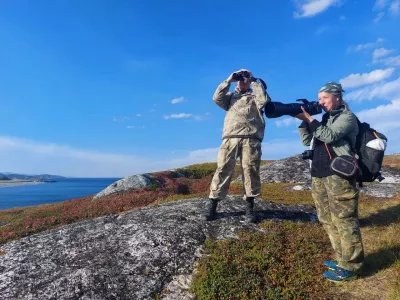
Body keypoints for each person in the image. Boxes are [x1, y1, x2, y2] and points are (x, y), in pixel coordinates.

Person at [295, 82, 364, 282]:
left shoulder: (347, 117)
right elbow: (307, 140)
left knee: (344, 218)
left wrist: (310, 118)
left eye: (324, 98)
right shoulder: (324, 119)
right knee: (326, 218)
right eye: (319, 99)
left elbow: (329, 135)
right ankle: (342, 257)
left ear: (337, 97)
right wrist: (303, 122)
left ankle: (352, 266)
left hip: (339, 175)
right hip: (319, 174)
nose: (321, 102)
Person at [204, 69, 271, 223]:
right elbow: (216, 98)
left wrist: (253, 81)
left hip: (251, 138)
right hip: (230, 138)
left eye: (245, 77)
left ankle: (249, 207)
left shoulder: (256, 96)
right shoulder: (230, 97)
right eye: (240, 77)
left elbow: (264, 101)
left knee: (250, 171)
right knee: (223, 169)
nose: (242, 79)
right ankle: (212, 205)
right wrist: (229, 80)